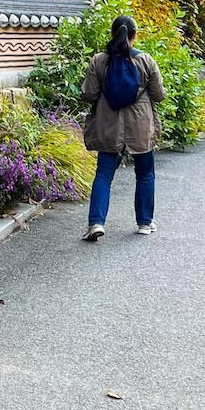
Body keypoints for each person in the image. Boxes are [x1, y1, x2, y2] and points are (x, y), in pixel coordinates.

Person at [81, 14, 165, 242]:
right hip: (141, 127)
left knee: (104, 174)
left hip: (109, 125)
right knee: (145, 174)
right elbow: (159, 95)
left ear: (112, 33)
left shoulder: (99, 61)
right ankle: (145, 223)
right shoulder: (146, 60)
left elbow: (88, 93)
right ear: (134, 36)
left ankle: (96, 223)